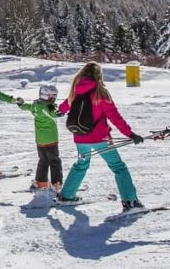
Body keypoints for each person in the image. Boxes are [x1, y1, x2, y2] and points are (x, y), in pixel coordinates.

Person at [57, 62, 146, 211]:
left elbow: (63, 107)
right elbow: (115, 116)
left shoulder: (76, 91)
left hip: (80, 138)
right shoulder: (100, 92)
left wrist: (59, 110)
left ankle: (66, 196)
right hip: (100, 139)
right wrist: (130, 134)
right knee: (118, 167)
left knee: (81, 165)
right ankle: (130, 201)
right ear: (98, 75)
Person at [20, 83, 62, 193]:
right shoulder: (48, 107)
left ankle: (41, 182)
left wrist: (21, 103)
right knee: (54, 161)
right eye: (53, 96)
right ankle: (56, 184)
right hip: (51, 140)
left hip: (40, 141)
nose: (54, 99)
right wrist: (58, 113)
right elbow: (52, 112)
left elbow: (27, 107)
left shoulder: (36, 105)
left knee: (43, 161)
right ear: (47, 96)